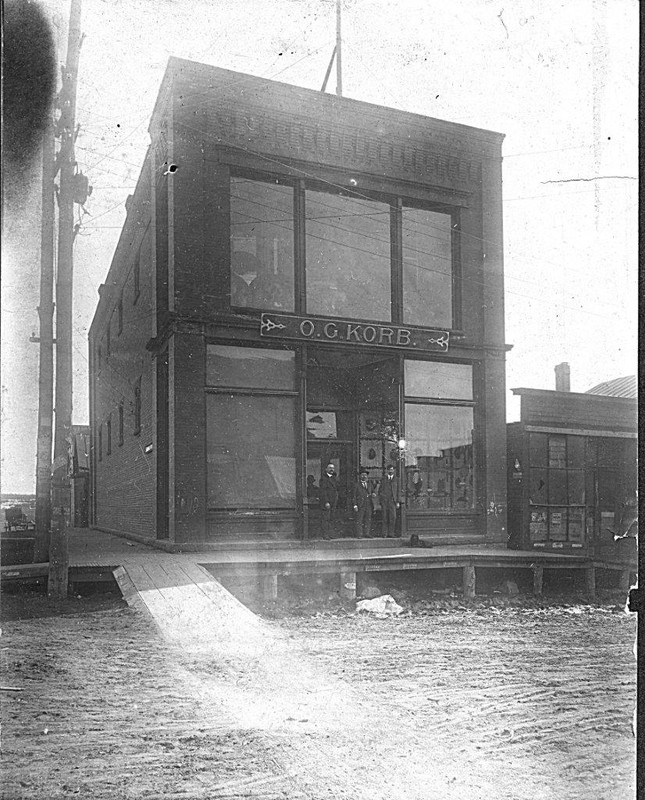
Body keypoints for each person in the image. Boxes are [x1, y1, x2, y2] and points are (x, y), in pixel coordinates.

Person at [378, 464, 402, 538]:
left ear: (394, 470)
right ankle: (384, 533)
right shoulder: (383, 479)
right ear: (387, 470)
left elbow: (398, 491)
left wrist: (398, 502)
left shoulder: (397, 479)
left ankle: (391, 533)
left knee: (393, 517)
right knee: (384, 517)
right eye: (389, 469)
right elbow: (380, 490)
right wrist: (382, 499)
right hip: (385, 501)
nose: (391, 471)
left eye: (392, 469)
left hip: (393, 501)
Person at [353, 469, 375, 539]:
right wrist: (355, 505)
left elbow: (373, 492)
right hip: (360, 505)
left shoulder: (369, 484)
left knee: (368, 519)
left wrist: (373, 494)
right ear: (360, 476)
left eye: (365, 475)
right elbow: (353, 496)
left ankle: (367, 533)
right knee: (359, 519)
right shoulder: (356, 485)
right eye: (362, 475)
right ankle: (359, 534)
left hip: (368, 504)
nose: (364, 476)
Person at [319, 463, 339, 540]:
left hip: (334, 502)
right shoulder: (323, 479)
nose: (332, 469)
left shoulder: (335, 478)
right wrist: (326, 502)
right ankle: (325, 534)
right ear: (326, 469)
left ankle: (331, 534)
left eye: (333, 468)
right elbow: (323, 492)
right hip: (327, 502)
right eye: (330, 468)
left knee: (332, 518)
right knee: (326, 519)